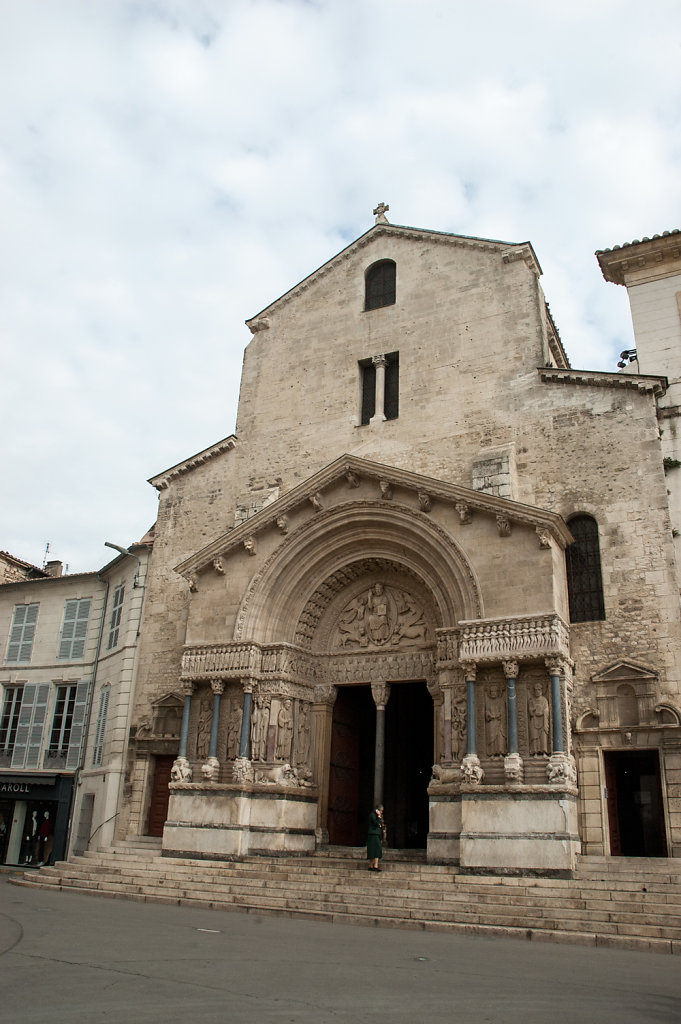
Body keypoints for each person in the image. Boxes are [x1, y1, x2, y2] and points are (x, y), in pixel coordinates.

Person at [366, 805, 385, 872]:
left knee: (376, 849)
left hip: (376, 834)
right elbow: (376, 823)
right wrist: (379, 817)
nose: (381, 812)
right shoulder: (372, 815)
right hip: (373, 834)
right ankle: (374, 865)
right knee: (375, 849)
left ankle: (373, 865)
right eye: (381, 811)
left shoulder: (375, 816)